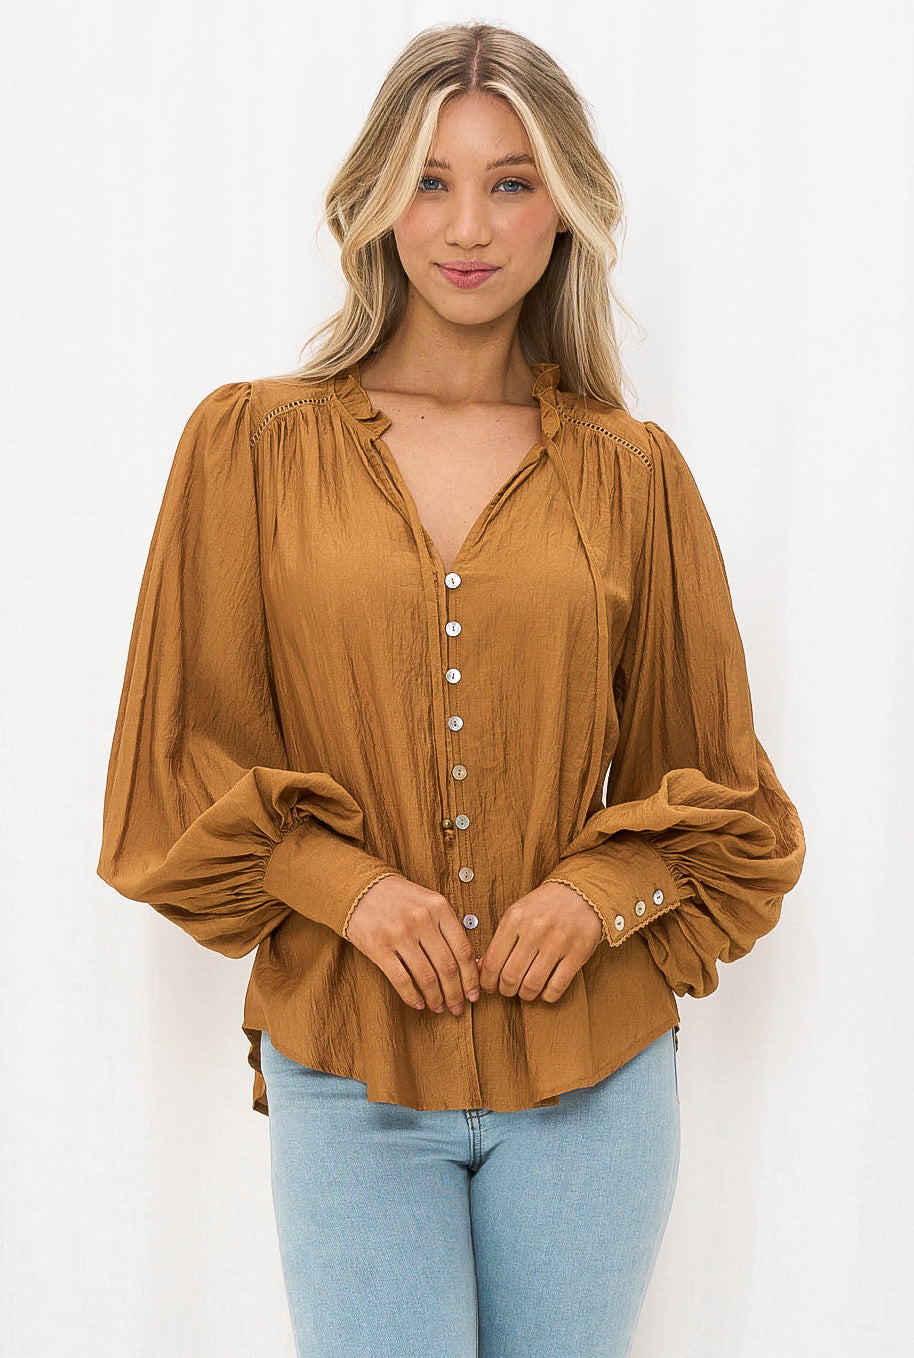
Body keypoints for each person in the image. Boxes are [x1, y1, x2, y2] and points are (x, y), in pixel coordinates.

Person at [96, 21, 806, 1358]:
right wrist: (344, 885)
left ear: (566, 210)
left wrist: (601, 891)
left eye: (510, 181)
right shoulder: (250, 446)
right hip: (348, 1064)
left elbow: (721, 796)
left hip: (594, 1071)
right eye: (428, 180)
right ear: (373, 200)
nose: (467, 225)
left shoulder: (634, 475)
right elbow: (172, 763)